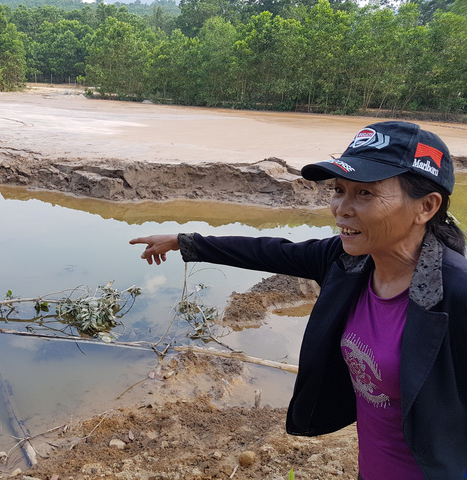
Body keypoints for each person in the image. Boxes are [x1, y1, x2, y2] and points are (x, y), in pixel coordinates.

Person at [129, 121, 467, 480]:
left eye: (365, 194)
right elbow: (271, 251)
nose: (341, 208)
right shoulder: (348, 260)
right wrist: (184, 241)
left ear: (426, 207)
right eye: (339, 189)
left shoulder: (456, 294)